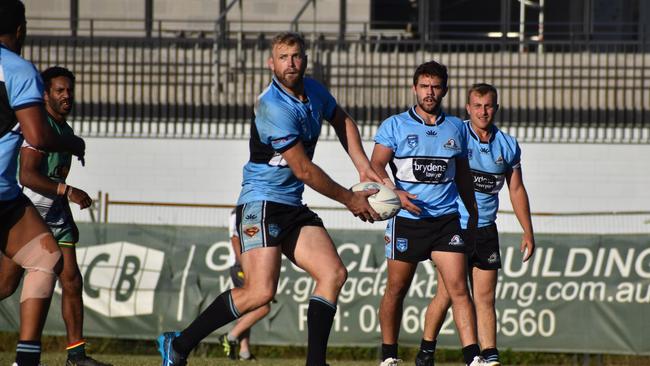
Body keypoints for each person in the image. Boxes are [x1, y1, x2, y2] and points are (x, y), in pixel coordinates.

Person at [157, 31, 381, 366]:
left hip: (291, 205)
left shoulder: (315, 91)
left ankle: (315, 363)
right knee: (260, 293)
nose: (291, 63)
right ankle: (180, 343)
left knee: (333, 273)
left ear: (305, 59)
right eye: (283, 57)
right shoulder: (272, 106)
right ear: (270, 63)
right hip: (261, 204)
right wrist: (350, 198)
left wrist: (364, 167)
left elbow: (342, 120)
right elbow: (304, 170)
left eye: (296, 56)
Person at [370, 61, 487, 366]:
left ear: (444, 90)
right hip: (407, 222)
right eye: (424, 86)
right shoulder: (395, 125)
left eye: (435, 86)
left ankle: (473, 357)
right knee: (396, 289)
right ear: (414, 88)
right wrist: (394, 192)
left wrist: (471, 216)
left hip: (445, 221)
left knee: (459, 289)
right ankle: (389, 356)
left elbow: (463, 176)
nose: (430, 92)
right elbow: (375, 166)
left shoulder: (456, 129)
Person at [415, 83, 535, 366]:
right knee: (447, 294)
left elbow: (516, 190)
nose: (483, 111)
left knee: (485, 297)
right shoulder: (456, 134)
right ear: (468, 108)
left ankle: (490, 357)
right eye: (477, 106)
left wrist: (528, 231)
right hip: (454, 226)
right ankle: (426, 351)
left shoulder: (507, 144)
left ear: (496, 108)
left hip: (485, 229)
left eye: (489, 105)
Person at [0, 66, 110, 366]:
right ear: (45, 94)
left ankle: (76, 355)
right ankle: (26, 354)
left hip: (55, 216)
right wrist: (68, 191)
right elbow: (29, 176)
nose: (66, 96)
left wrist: (64, 207)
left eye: (69, 90)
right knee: (6, 286)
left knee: (72, 280)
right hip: (27, 214)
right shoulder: (38, 127)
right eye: (59, 90)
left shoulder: (65, 131)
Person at [0, 2, 86, 366]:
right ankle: (27, 358)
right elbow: (38, 135)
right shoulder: (18, 70)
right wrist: (73, 143)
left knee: (51, 260)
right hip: (4, 195)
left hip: (15, 200)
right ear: (20, 29)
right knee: (45, 258)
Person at [218, 208, 271, 361]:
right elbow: (235, 239)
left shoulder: (257, 209)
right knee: (263, 307)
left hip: (248, 265)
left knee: (248, 308)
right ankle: (230, 336)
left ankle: (244, 351)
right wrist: (245, 265)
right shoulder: (240, 211)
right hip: (240, 266)